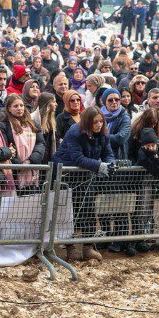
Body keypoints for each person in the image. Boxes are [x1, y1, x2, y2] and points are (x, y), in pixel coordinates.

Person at [52, 106, 115, 260]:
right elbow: (77, 158)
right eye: (95, 122)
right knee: (68, 212)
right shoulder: (75, 132)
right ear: (88, 122)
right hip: (66, 174)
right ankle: (70, 248)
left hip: (86, 175)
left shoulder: (103, 135)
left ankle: (88, 247)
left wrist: (111, 164)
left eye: (101, 122)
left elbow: (108, 153)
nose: (99, 125)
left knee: (88, 209)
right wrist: (99, 166)